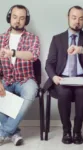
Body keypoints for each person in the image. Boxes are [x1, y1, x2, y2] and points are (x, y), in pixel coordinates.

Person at [44, 6, 83, 144]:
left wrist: (82, 50)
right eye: (74, 17)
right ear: (68, 18)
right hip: (62, 78)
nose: (77, 21)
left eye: (81, 18)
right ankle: (66, 131)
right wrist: (54, 77)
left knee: (82, 93)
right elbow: (49, 63)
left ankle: (77, 131)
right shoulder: (57, 39)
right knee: (64, 93)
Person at [0, 5, 40, 146]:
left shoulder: (32, 38)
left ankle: (3, 133)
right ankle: (14, 133)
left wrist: (13, 52)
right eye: (15, 17)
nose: (17, 21)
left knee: (31, 92)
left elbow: (33, 55)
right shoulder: (1, 38)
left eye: (22, 18)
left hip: (26, 79)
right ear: (9, 18)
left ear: (26, 20)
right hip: (6, 79)